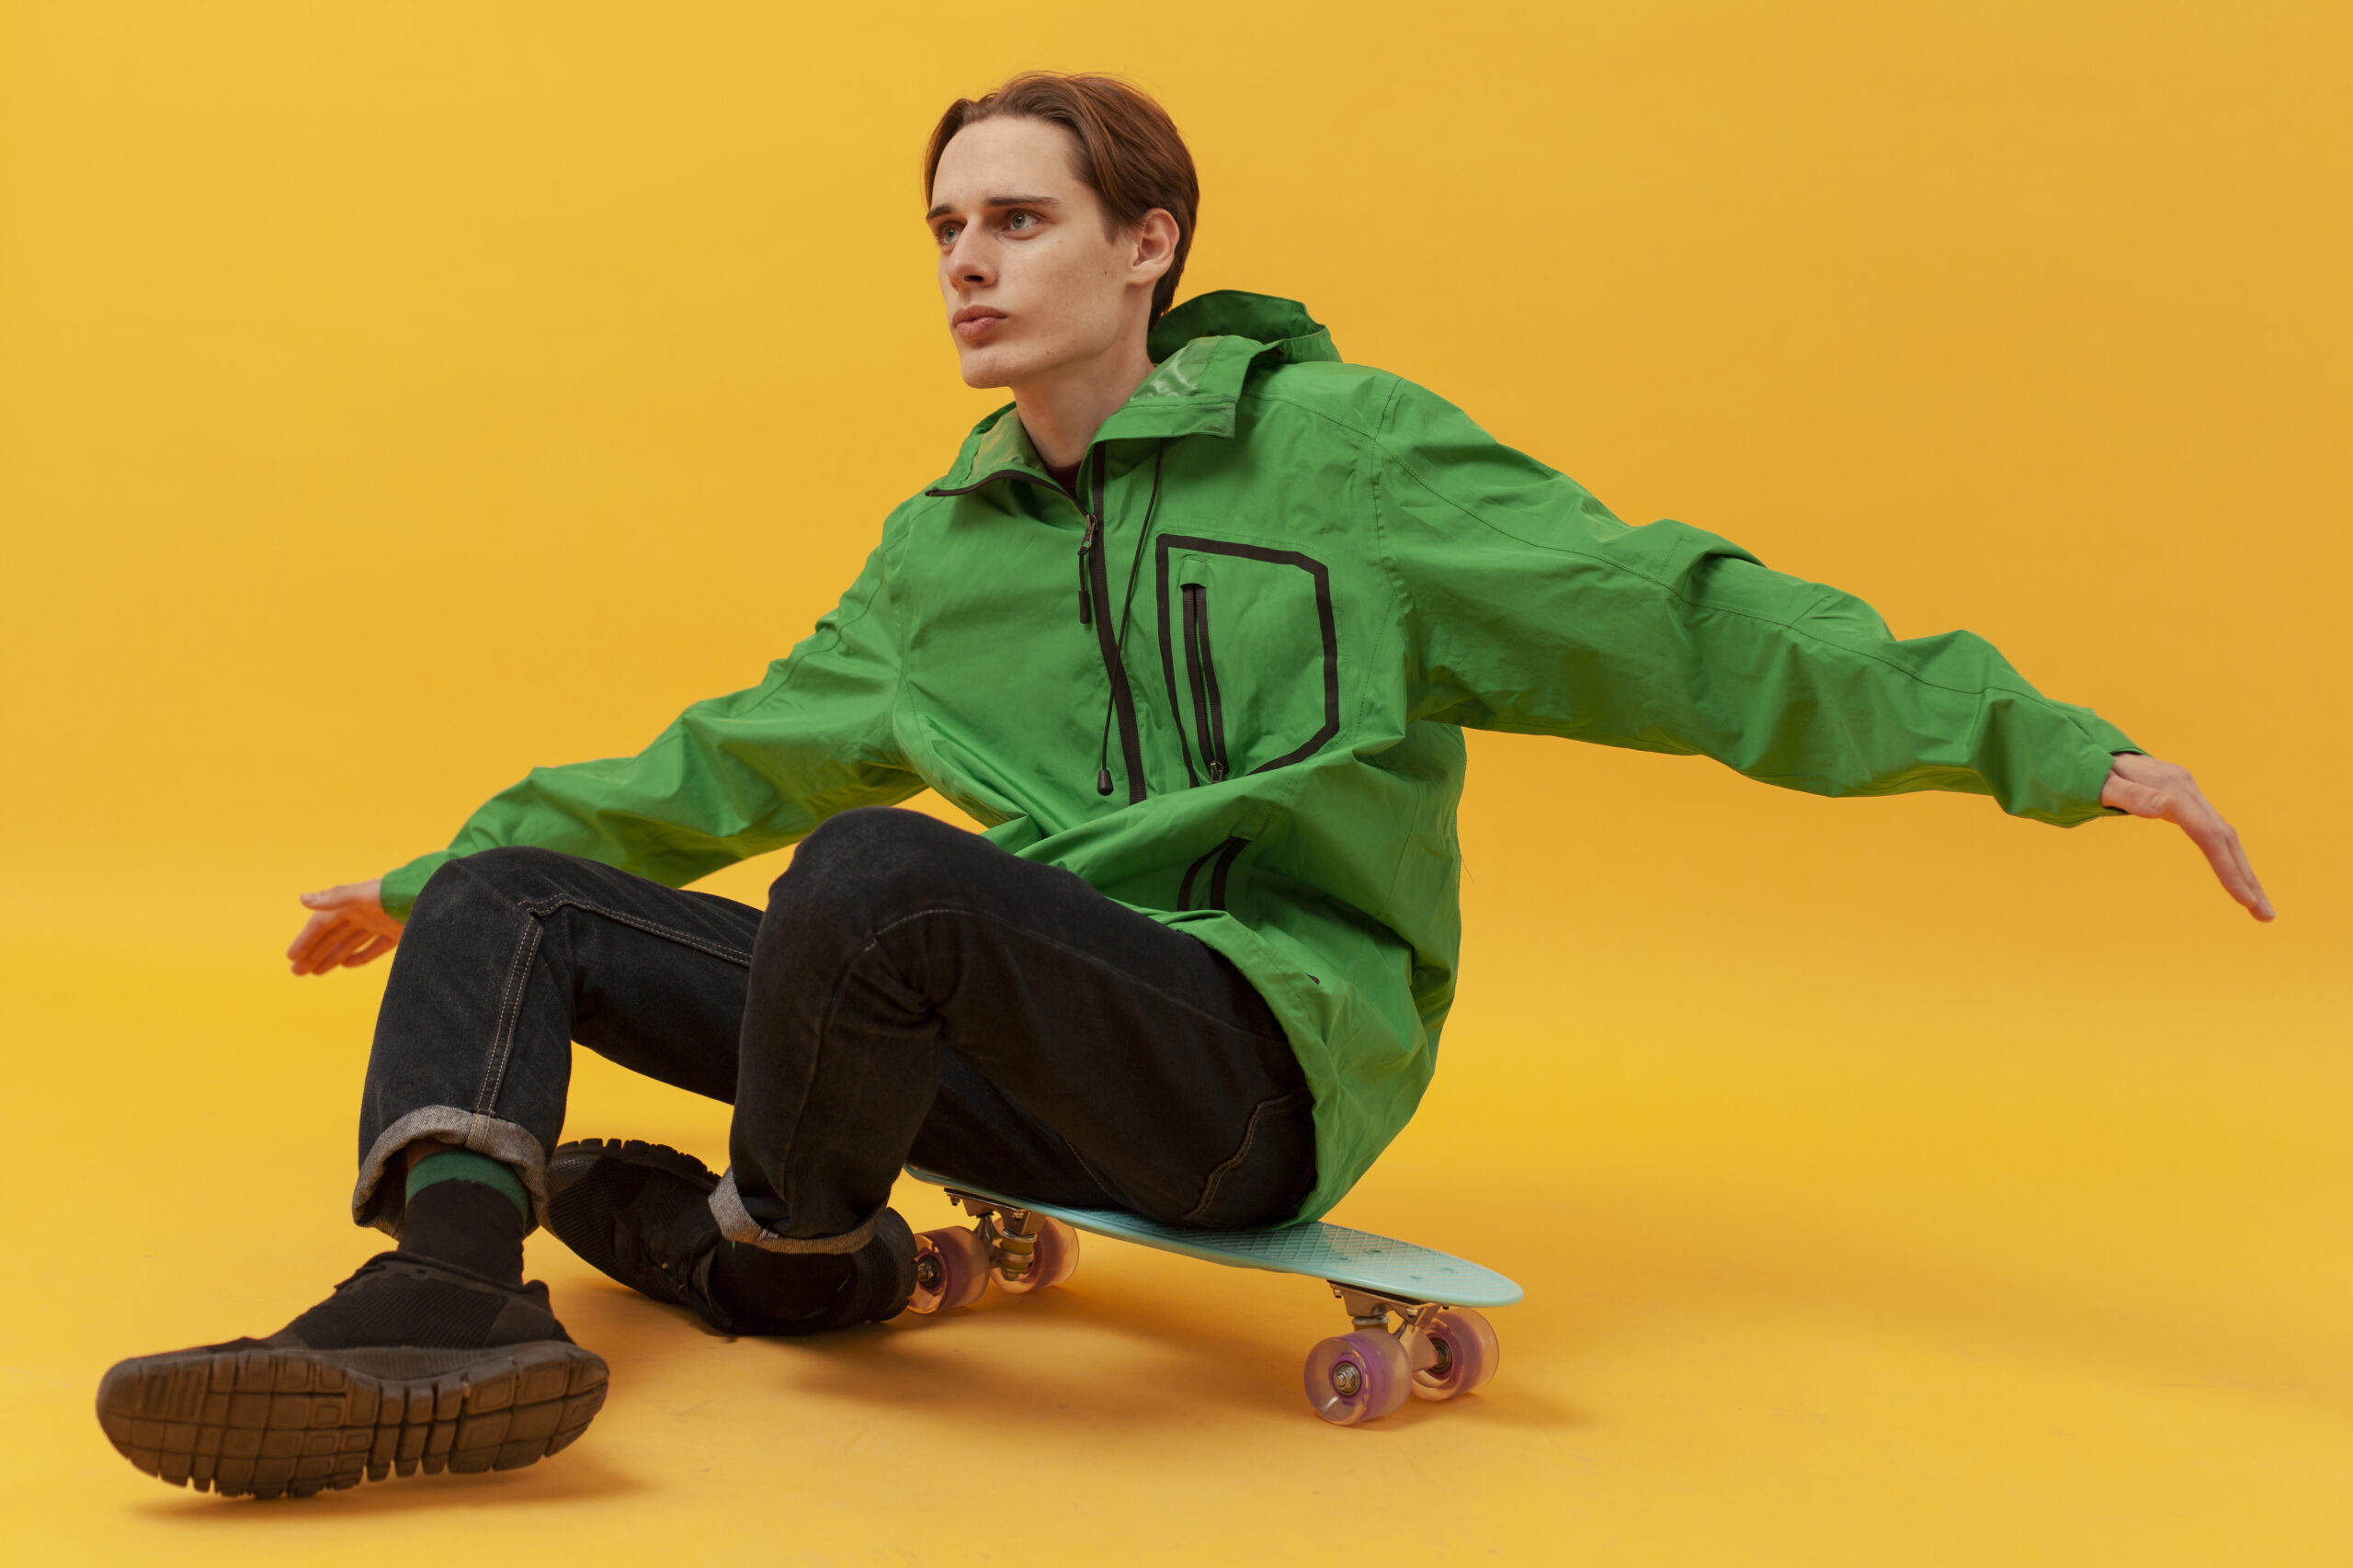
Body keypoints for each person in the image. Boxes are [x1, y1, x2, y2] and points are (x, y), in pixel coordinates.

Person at [95, 72, 2270, 1500]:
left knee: (872, 872)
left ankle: (774, 1252)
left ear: (1144, 243)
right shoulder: (938, 558)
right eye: (942, 225)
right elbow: (710, 761)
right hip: (997, 1038)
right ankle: (447, 1308)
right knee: (527, 894)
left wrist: (2051, 749)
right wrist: (424, 875)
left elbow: (1674, 615)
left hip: (1248, 1072)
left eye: (1015, 219)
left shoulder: (1339, 454)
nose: (963, 261)